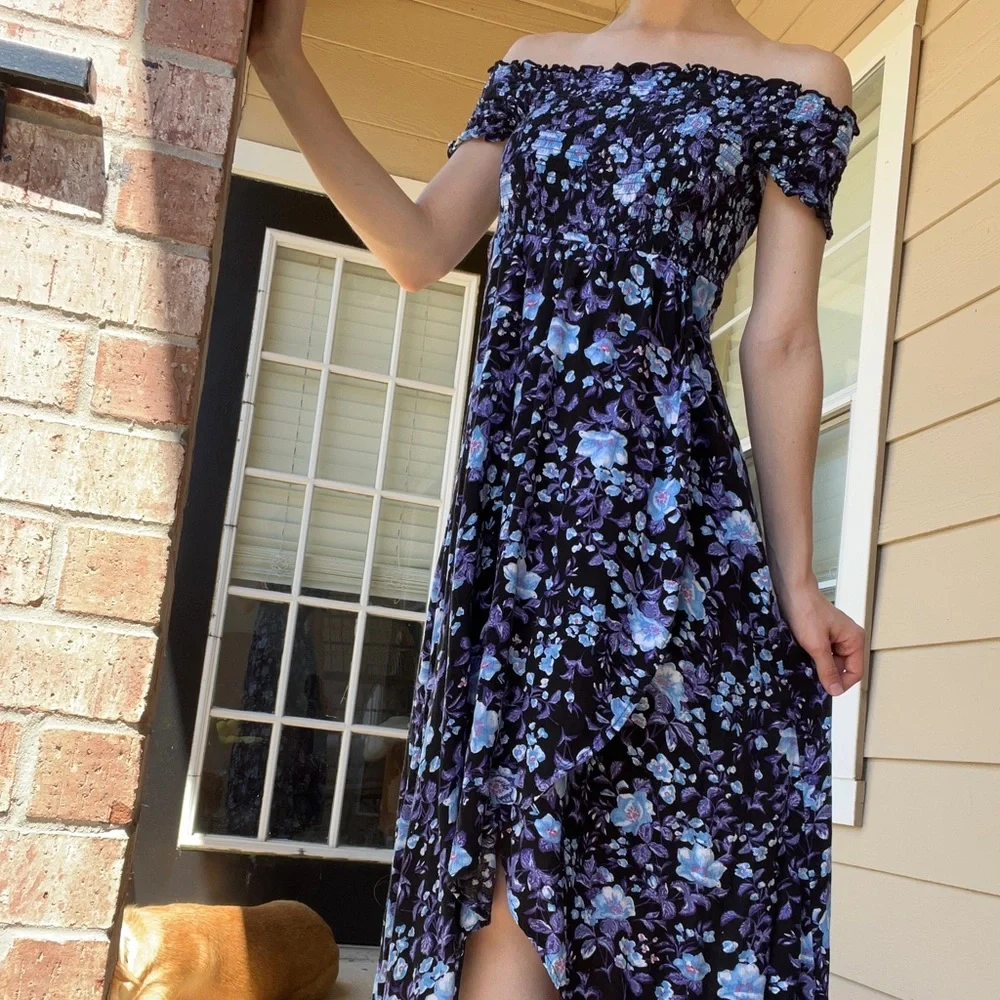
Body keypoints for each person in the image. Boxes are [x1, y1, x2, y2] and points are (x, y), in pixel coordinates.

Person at [248, 1, 867, 998]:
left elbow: (782, 337)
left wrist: (797, 579)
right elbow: (417, 247)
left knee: (644, 872)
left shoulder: (797, 81)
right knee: (503, 866)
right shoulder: (536, 66)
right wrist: (281, 62)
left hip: (664, 527)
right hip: (521, 532)